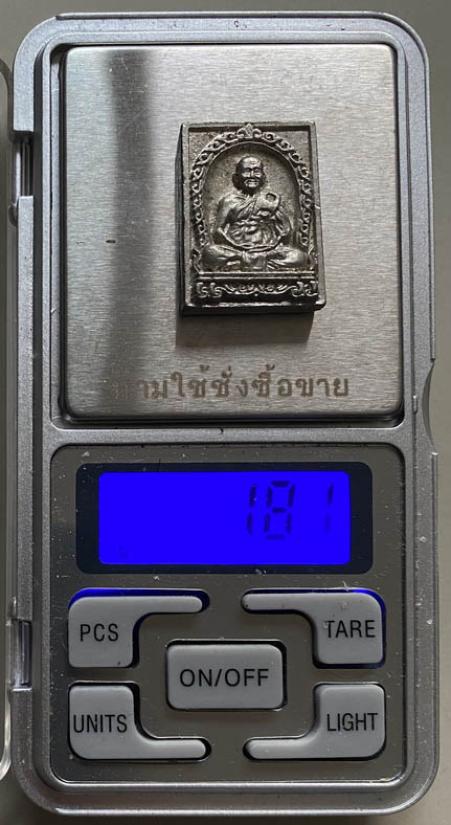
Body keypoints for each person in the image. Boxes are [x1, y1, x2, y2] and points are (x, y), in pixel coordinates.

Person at [203, 155, 309, 272]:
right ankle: (258, 263)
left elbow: (286, 231)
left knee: (300, 257)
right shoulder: (229, 201)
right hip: (237, 250)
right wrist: (236, 246)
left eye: (256, 171)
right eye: (247, 171)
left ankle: (241, 264)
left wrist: (272, 245)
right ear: (236, 177)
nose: (252, 175)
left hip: (268, 251)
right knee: (209, 252)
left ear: (263, 177)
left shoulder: (270, 200)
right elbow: (217, 231)